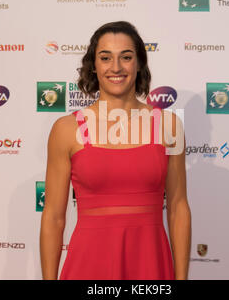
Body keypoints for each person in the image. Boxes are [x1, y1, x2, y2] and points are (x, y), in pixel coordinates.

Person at [40, 21, 191, 280]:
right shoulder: (66, 129)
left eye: (126, 57)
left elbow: (178, 208)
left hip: (150, 265)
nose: (116, 67)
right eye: (105, 57)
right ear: (94, 65)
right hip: (88, 267)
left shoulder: (168, 125)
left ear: (139, 63)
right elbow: (53, 217)